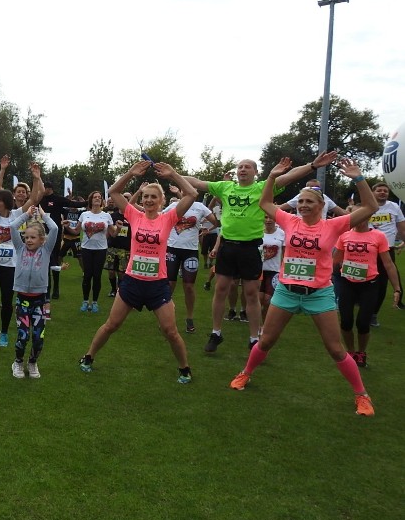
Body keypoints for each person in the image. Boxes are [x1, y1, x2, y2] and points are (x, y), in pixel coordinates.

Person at [228, 156, 379, 417]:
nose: (303, 205)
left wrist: (358, 178)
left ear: (322, 205)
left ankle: (361, 395)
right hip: (287, 291)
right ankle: (245, 373)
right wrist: (272, 177)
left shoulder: (334, 225)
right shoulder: (290, 221)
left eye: (309, 201)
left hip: (318, 295)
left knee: (335, 349)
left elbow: (370, 207)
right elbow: (264, 203)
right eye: (301, 201)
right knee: (265, 341)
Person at [184, 153, 338, 354]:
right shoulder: (224, 187)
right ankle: (216, 332)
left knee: (251, 294)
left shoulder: (262, 187)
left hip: (251, 247)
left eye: (248, 166)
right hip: (228, 246)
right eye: (240, 166)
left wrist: (312, 165)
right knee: (221, 289)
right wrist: (171, 174)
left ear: (255, 172)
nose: (243, 169)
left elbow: (288, 177)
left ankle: (254, 337)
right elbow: (196, 182)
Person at [78, 161, 198, 384]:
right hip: (132, 281)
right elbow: (113, 192)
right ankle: (88, 356)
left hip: (157, 284)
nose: (149, 200)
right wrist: (131, 173)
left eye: (154, 197)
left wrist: (173, 175)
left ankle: (184, 368)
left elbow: (191, 193)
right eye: (146, 197)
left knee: (170, 331)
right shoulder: (135, 215)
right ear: (141, 200)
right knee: (112, 325)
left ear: (161, 201)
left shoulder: (168, 218)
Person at [0, 161, 44, 346]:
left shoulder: (16, 214)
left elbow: (34, 200)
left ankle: (4, 333)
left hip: (10, 267)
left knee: (7, 302)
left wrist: (36, 179)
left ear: (4, 202)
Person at [333, 206, 401, 367]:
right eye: (354, 215)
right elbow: (335, 260)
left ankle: (361, 352)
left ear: (368, 216)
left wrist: (397, 288)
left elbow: (388, 264)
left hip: (369, 284)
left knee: (363, 322)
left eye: (361, 215)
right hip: (347, 283)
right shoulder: (344, 235)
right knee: (346, 321)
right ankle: (350, 352)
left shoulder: (378, 236)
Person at [7, 205, 58, 378]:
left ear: (42, 240)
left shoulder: (46, 250)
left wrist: (43, 215)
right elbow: (13, 227)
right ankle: (18, 362)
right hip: (22, 300)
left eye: (33, 237)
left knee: (38, 337)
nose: (28, 240)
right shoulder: (20, 249)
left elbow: (55, 228)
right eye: (26, 237)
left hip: (40, 301)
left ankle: (33, 362)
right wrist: (26, 215)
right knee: (22, 336)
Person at [163, 185, 220, 334]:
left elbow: (216, 221)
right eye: (183, 189)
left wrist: (207, 229)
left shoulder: (200, 207)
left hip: (190, 251)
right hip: (172, 249)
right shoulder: (174, 206)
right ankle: (166, 317)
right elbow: (159, 218)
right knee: (169, 285)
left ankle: (189, 318)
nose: (185, 191)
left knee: (188, 287)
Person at [66, 191, 116, 313]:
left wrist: (118, 228)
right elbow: (76, 231)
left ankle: (94, 302)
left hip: (101, 249)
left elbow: (113, 233)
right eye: (95, 197)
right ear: (91, 200)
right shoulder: (84, 214)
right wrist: (67, 226)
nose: (97, 199)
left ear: (102, 200)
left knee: (97, 276)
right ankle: (85, 301)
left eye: (99, 197)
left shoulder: (106, 216)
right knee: (87, 276)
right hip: (86, 249)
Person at [367, 181, 405, 323]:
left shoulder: (394, 207)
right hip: (367, 249)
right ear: (373, 192)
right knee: (365, 280)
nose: (383, 192)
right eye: (379, 190)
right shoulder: (367, 206)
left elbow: (402, 228)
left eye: (385, 191)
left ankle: (373, 314)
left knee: (382, 283)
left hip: (387, 250)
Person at [39, 181, 69, 300]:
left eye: (43, 188)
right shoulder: (39, 199)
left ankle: (56, 288)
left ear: (49, 188)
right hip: (39, 234)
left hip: (53, 235)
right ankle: (46, 288)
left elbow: (71, 204)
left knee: (54, 260)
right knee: (42, 262)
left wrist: (88, 202)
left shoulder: (57, 199)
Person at [259, 215, 285, 321]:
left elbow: (285, 253)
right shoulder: (257, 232)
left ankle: (264, 325)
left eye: (271, 218)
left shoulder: (282, 234)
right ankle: (257, 326)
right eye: (265, 217)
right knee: (258, 300)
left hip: (274, 271)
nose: (268, 220)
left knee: (268, 300)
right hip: (259, 270)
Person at [279, 178, 347, 217]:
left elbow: (342, 212)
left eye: (317, 188)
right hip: (301, 229)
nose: (314, 190)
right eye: (310, 188)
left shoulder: (325, 197)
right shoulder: (300, 196)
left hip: (320, 230)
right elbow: (281, 207)